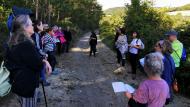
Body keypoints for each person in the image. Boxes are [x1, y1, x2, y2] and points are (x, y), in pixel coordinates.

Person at [5, 15, 51, 107]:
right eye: (31, 24)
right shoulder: (26, 44)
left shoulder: (14, 41)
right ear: (24, 27)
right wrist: (45, 61)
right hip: (27, 86)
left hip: (18, 83)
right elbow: (37, 65)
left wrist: (42, 60)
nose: (33, 25)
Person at [32, 20, 50, 86]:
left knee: (41, 68)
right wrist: (44, 54)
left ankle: (43, 81)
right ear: (37, 26)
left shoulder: (38, 34)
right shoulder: (36, 35)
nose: (43, 26)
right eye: (41, 25)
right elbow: (37, 47)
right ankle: (43, 82)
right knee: (41, 68)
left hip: (38, 55)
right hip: (37, 56)